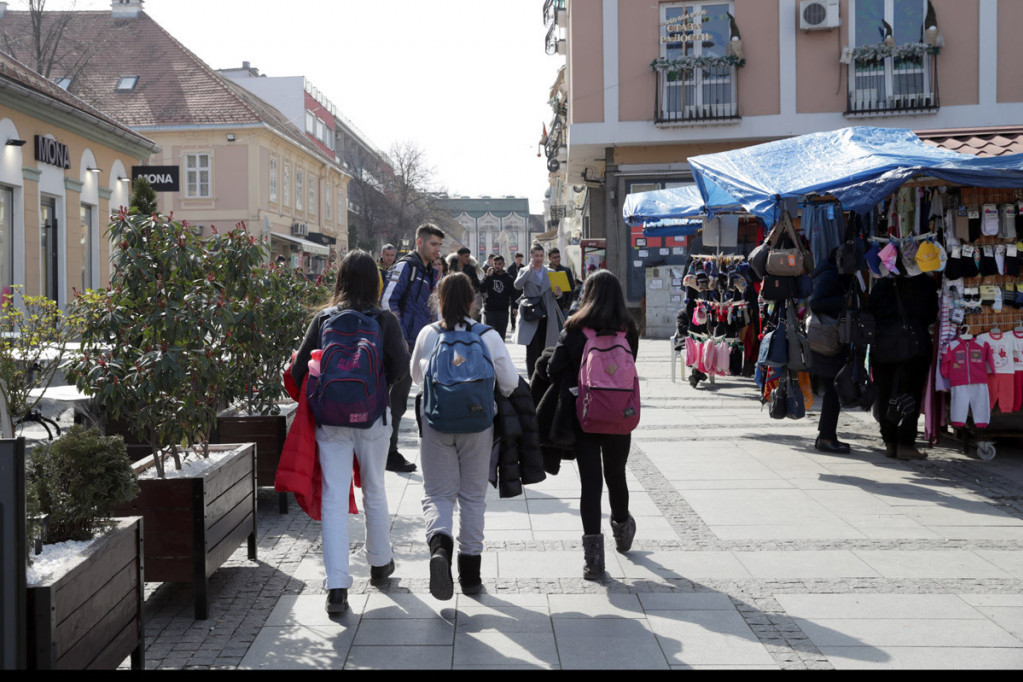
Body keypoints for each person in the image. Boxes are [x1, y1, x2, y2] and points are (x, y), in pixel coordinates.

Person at [291, 250, 410, 614]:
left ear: (340, 279)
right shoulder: (384, 319)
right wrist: (375, 389)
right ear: (375, 282)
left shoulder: (324, 318)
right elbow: (401, 368)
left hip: (331, 422)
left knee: (333, 497)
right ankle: (379, 565)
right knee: (374, 488)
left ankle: (337, 588)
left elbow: (298, 373)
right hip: (373, 417)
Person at [410, 272, 519, 599]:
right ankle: (470, 576)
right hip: (478, 425)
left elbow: (416, 378)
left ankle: (439, 549)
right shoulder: (487, 335)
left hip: (436, 423)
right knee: (472, 497)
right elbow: (510, 383)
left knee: (438, 494)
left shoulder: (428, 334)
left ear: (439, 302)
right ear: (473, 301)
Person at [547, 270, 639, 580]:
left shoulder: (574, 328)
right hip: (620, 415)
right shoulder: (629, 329)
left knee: (591, 484)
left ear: (588, 293)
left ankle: (594, 561)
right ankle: (623, 528)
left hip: (585, 416)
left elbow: (552, 368)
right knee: (616, 475)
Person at [381, 223, 444, 473]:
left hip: (415, 346)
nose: (437, 250)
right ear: (420, 242)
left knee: (398, 404)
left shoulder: (430, 272)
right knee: (389, 402)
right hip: (397, 348)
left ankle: (388, 451)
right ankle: (386, 452)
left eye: (439, 245)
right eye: (433, 244)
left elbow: (431, 308)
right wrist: (400, 339)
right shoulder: (406, 267)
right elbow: (387, 301)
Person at [869, 272, 938, 460]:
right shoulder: (925, 283)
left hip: (884, 344)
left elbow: (871, 310)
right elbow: (931, 314)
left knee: (885, 393)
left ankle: (890, 442)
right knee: (910, 393)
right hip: (914, 344)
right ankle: (905, 443)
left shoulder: (882, 283)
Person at [808, 248, 853, 454]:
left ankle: (825, 435)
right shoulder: (829, 275)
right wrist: (845, 302)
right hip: (827, 340)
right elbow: (816, 302)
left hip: (828, 339)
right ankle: (826, 438)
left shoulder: (830, 273)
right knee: (833, 390)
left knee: (832, 390)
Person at [515, 243, 566, 379]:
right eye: (536, 255)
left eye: (541, 256)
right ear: (531, 256)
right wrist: (529, 271)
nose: (539, 258)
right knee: (532, 348)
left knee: (547, 347)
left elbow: (559, 294)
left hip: (547, 312)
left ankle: (543, 377)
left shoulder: (551, 272)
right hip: (532, 313)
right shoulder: (525, 270)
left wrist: (557, 293)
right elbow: (517, 285)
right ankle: (532, 377)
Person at [480, 254, 517, 339]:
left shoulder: (509, 279)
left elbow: (514, 295)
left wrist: (515, 307)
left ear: (503, 264)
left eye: (499, 264)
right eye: (495, 264)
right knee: (489, 336)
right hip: (489, 310)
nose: (497, 266)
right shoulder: (489, 276)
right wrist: (487, 277)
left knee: (501, 336)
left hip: (502, 311)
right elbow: (482, 289)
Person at [548, 248, 575, 312]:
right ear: (549, 258)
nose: (557, 259)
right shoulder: (545, 270)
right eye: (554, 257)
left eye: (558, 257)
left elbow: (572, 289)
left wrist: (567, 306)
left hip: (562, 307)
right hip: (548, 306)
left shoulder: (566, 270)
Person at [507, 252, 525, 331]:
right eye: (518, 259)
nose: (519, 261)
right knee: (513, 308)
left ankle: (520, 323)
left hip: (521, 291)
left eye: (521, 259)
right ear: (515, 259)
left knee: (521, 307)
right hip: (513, 291)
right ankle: (513, 324)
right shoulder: (510, 268)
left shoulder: (523, 267)